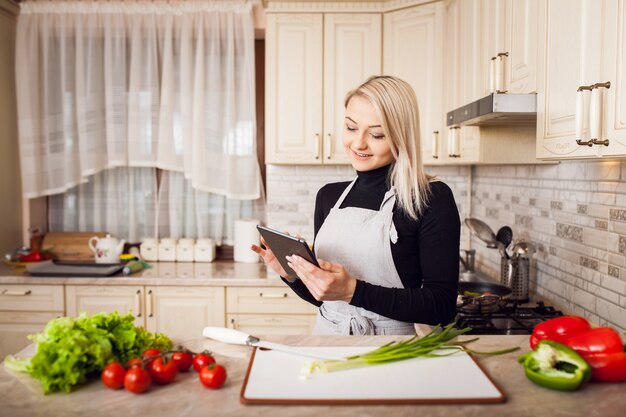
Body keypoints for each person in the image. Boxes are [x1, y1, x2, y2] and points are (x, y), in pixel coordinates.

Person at [251, 75, 460, 335]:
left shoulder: (429, 198)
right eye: (351, 128)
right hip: (328, 341)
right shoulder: (328, 197)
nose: (358, 143)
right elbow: (326, 298)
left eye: (376, 134)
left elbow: (441, 307)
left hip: (391, 350)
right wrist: (292, 275)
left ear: (401, 137)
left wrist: (354, 290)